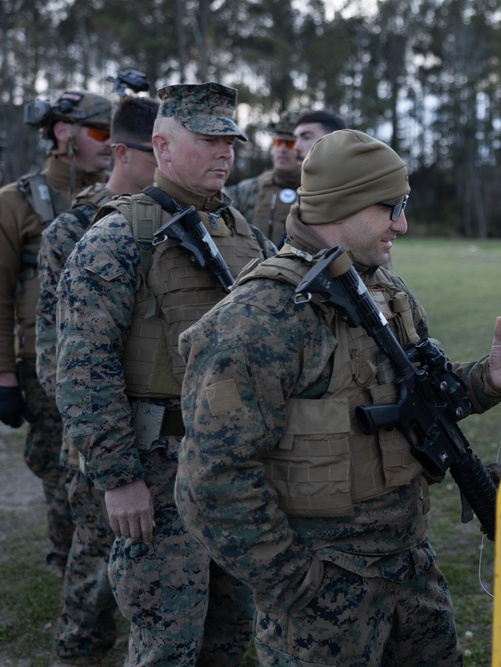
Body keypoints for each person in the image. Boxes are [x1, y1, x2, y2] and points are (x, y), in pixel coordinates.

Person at [174, 129, 501, 667]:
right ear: (343, 204)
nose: (403, 224)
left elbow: (419, 399)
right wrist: (297, 583)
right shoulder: (258, 318)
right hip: (324, 598)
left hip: (412, 572)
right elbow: (212, 479)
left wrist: (489, 378)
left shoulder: (387, 290)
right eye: (392, 206)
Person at [55, 82, 269, 666]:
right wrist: (119, 478)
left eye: (230, 140)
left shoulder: (246, 235)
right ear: (163, 146)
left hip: (234, 471)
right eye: (208, 140)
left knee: (232, 631)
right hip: (158, 473)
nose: (225, 152)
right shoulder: (119, 236)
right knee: (166, 642)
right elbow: (81, 367)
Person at [36, 93, 159, 667]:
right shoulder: (73, 231)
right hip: (98, 438)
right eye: (153, 152)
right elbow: (55, 352)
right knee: (93, 572)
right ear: (122, 153)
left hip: (169, 443)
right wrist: (96, 435)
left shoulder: (182, 224)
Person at [0, 89, 113, 576]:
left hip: (105, 362)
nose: (111, 143)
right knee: (57, 466)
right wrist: (4, 377)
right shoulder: (14, 203)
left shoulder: (121, 199)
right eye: (100, 132)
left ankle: (98, 566)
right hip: (40, 365)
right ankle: (67, 559)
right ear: (64, 134)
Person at [226, 109, 302, 244]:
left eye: (291, 143)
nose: (282, 149)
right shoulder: (248, 190)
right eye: (278, 142)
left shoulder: (316, 195)